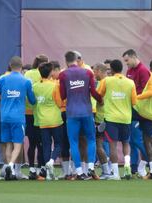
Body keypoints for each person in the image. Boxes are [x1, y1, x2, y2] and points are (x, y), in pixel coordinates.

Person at [0, 56, 36, 180]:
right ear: (21, 66)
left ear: (10, 65)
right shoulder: (26, 81)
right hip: (18, 118)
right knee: (18, 144)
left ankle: (11, 171)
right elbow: (32, 100)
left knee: (8, 144)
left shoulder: (3, 79)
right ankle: (10, 166)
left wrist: (5, 94)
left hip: (4, 117)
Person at [58, 51, 102, 180]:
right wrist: (100, 100)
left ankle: (78, 171)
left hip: (71, 113)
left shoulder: (63, 74)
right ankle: (90, 168)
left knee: (74, 142)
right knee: (91, 139)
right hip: (87, 112)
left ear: (66, 61)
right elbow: (94, 92)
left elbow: (62, 95)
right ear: (77, 59)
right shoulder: (88, 72)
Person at [97, 59, 137, 180]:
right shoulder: (130, 82)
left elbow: (99, 95)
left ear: (112, 70)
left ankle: (115, 174)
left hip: (112, 118)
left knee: (113, 145)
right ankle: (127, 165)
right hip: (126, 118)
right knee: (126, 143)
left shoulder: (107, 81)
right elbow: (134, 101)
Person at [33, 62, 63, 180]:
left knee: (46, 145)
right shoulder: (55, 85)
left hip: (42, 120)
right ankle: (51, 161)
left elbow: (32, 101)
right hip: (55, 119)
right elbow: (59, 102)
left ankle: (47, 172)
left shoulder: (35, 86)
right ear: (51, 72)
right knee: (59, 144)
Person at [123, 49, 150, 177]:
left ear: (134, 57)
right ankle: (133, 168)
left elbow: (146, 92)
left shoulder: (143, 71)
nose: (126, 63)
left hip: (140, 110)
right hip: (130, 109)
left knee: (137, 140)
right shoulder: (129, 71)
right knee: (132, 141)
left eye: (127, 60)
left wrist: (136, 100)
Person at [24, 54, 48, 179]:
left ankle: (32, 169)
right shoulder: (43, 74)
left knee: (32, 143)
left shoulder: (27, 74)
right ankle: (41, 169)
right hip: (41, 113)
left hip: (28, 112)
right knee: (42, 144)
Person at [93, 63, 111, 179]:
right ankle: (109, 169)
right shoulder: (111, 82)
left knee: (98, 145)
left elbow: (100, 101)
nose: (94, 74)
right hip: (109, 117)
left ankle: (106, 171)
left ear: (99, 71)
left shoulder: (101, 83)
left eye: (94, 71)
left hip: (100, 119)